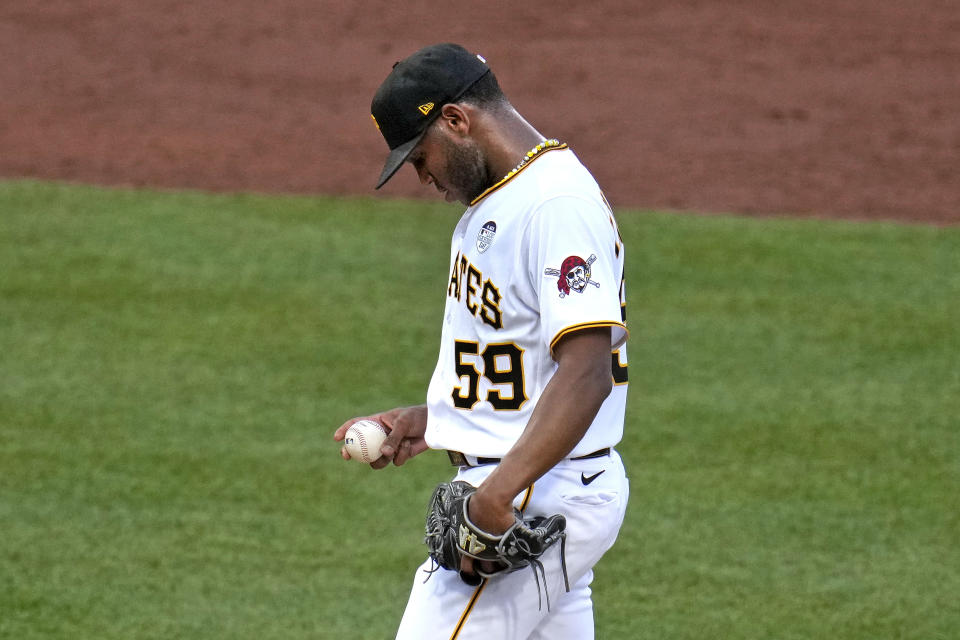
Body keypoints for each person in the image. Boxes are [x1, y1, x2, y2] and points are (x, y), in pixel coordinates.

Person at [334, 43, 630, 639]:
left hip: (535, 492)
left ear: (456, 120)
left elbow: (587, 370)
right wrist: (440, 418)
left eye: (421, 159)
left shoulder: (554, 203)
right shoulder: (507, 198)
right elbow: (523, 354)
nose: (424, 179)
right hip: (542, 483)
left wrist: (497, 493)